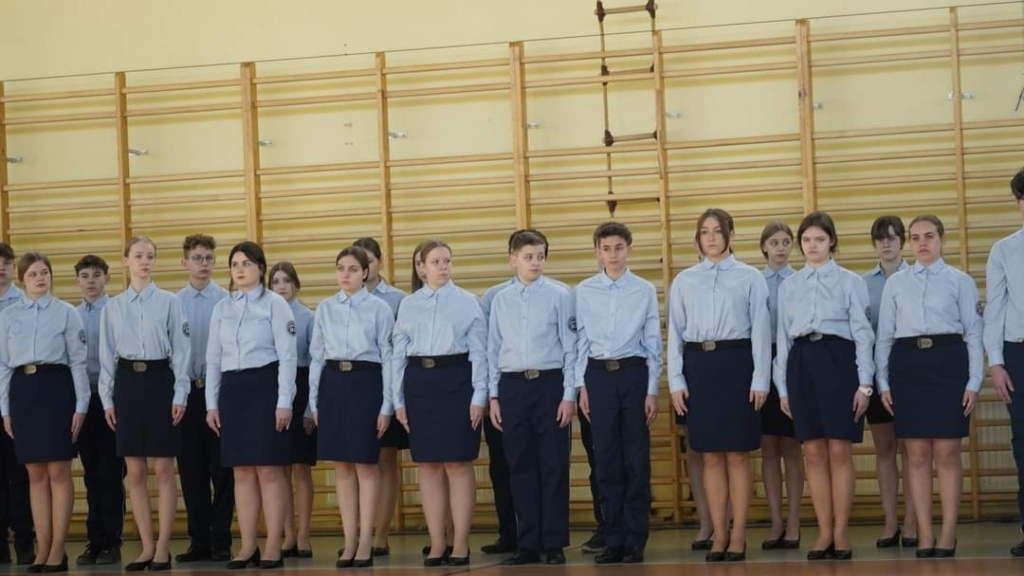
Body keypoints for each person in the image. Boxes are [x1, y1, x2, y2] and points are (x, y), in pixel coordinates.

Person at [876, 215, 983, 559]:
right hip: (908, 366)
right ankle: (924, 531)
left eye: (929, 236)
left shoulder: (960, 281)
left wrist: (974, 381)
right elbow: (884, 336)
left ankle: (948, 532)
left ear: (942, 239)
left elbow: (974, 333)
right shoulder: (896, 283)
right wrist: (882, 381)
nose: (922, 243)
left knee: (947, 452)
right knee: (918, 454)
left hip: (949, 364)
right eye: (916, 237)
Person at [668, 208, 770, 563]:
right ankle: (719, 532)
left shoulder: (750, 277)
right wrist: (676, 380)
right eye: (704, 232)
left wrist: (760, 378)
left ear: (731, 235)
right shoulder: (684, 280)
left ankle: (739, 533)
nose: (710, 238)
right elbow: (675, 333)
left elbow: (761, 331)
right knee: (709, 454)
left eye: (717, 231)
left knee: (738, 455)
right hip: (699, 366)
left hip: (737, 364)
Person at [775, 212, 874, 561]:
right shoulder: (789, 286)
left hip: (839, 361)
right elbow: (783, 340)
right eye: (806, 240)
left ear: (831, 241)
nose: (812, 246)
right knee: (813, 451)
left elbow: (863, 334)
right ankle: (824, 532)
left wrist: (865, 384)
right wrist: (783, 388)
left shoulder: (850, 282)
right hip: (802, 361)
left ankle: (842, 531)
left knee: (839, 450)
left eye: (819, 239)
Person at [99, 236, 191, 572]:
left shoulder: (169, 302)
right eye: (138, 256)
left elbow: (182, 351)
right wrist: (107, 399)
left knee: (164, 469)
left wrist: (180, 394)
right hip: (127, 384)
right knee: (135, 471)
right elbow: (106, 356)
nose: (144, 262)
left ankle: (163, 546)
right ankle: (146, 546)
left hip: (159, 381)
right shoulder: (113, 307)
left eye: (150, 256)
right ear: (126, 260)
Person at [393, 239, 485, 567]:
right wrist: (397, 399)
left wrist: (479, 395)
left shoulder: (467, 302)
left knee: (458, 463)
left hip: (457, 381)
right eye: (435, 261)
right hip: (420, 383)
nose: (443, 267)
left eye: (447, 260)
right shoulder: (409, 304)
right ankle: (436, 542)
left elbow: (479, 352)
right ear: (421, 267)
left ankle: (460, 542)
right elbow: (398, 354)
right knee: (428, 465)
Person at [205, 242, 297, 570]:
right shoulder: (222, 307)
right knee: (241, 471)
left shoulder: (275, 304)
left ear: (260, 267)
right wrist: (211, 404)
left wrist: (284, 401)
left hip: (265, 387)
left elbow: (288, 355)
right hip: (233, 389)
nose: (240, 269)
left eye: (246, 263)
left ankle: (272, 544)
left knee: (269, 469)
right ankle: (247, 546)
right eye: (235, 264)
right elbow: (213, 358)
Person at [487, 230, 575, 566]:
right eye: (528, 257)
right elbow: (493, 349)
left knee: (553, 464)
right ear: (513, 260)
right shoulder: (500, 299)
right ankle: (527, 542)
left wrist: (568, 395)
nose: (535, 263)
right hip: (512, 386)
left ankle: (553, 542)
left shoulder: (560, 295)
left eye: (540, 256)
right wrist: (494, 396)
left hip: (549, 384)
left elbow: (570, 348)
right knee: (519, 465)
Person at [577, 222, 661, 565]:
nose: (612, 254)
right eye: (606, 248)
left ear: (629, 249)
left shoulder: (644, 290)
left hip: (633, 374)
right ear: (597, 252)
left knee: (635, 460)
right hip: (598, 376)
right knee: (606, 460)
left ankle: (635, 538)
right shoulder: (584, 291)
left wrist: (652, 390)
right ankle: (613, 537)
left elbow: (653, 342)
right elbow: (581, 342)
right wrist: (582, 386)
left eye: (618, 248)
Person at [0, 252, 90, 572]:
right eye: (33, 274)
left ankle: (57, 549)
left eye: (44, 273)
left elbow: (78, 362)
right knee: (35, 475)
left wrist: (81, 405)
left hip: (56, 390)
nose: (40, 278)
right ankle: (42, 548)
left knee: (58, 473)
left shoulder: (66, 313)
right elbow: (2, 366)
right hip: (23, 392)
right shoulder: (8, 316)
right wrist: (5, 409)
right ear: (22, 280)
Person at [310, 246, 395, 568]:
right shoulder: (325, 308)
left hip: (366, 384)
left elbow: (388, 357)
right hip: (334, 384)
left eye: (352, 269)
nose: (345, 274)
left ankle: (366, 542)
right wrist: (314, 401)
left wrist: (387, 405)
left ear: (365, 273)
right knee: (342, 466)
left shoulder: (379, 309)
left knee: (366, 464)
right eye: (340, 268)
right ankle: (348, 541)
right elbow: (317, 356)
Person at [175, 234, 233, 564]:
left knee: (223, 470)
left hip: (219, 394)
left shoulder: (226, 300)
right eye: (197, 258)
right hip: (187, 394)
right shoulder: (174, 302)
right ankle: (199, 540)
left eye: (209, 258)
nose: (203, 264)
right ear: (185, 262)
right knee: (191, 471)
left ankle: (221, 539)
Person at [863, 216, 917, 548]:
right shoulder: (863, 284)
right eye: (880, 239)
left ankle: (911, 520)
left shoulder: (916, 277)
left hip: (911, 371)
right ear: (874, 244)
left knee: (912, 450)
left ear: (902, 242)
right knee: (884, 449)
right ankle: (890, 521)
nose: (886, 244)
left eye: (892, 238)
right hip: (876, 371)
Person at [351, 238, 407, 559]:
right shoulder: (343, 300)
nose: (365, 266)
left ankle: (381, 533)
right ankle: (358, 533)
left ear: (379, 262)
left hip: (387, 386)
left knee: (385, 460)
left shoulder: (398, 300)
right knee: (356, 462)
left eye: (369, 260)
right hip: (355, 390)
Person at [73, 256, 125, 566]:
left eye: (96, 275)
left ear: (107, 278)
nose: (91, 280)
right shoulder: (73, 315)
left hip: (112, 401)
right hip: (83, 401)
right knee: (91, 473)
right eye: (85, 275)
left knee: (110, 473)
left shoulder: (117, 310)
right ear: (77, 281)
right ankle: (94, 540)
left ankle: (112, 541)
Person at [757, 221, 803, 550]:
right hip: (761, 361)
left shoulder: (800, 281)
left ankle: (795, 520)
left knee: (792, 447)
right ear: (764, 246)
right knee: (768, 448)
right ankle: (775, 520)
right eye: (774, 242)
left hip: (792, 362)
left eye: (786, 242)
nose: (781, 248)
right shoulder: (753, 281)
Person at [985, 168, 1024, 557]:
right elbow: (994, 310)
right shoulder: (1004, 250)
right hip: (1018, 353)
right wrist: (996, 363)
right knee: (1023, 444)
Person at [269, 262, 316, 559]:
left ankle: (304, 534)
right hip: (275, 390)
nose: (282, 286)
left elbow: (316, 364)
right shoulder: (266, 314)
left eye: (287, 280)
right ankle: (287, 534)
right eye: (275, 281)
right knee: (280, 468)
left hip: (301, 387)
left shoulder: (308, 317)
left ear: (296, 284)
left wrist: (310, 407)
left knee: (301, 468)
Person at [0, 243, 34, 566]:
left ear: (14, 268)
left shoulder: (24, 303)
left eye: (7, 262)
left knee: (20, 473)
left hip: (17, 397)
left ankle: (25, 541)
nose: (1, 267)